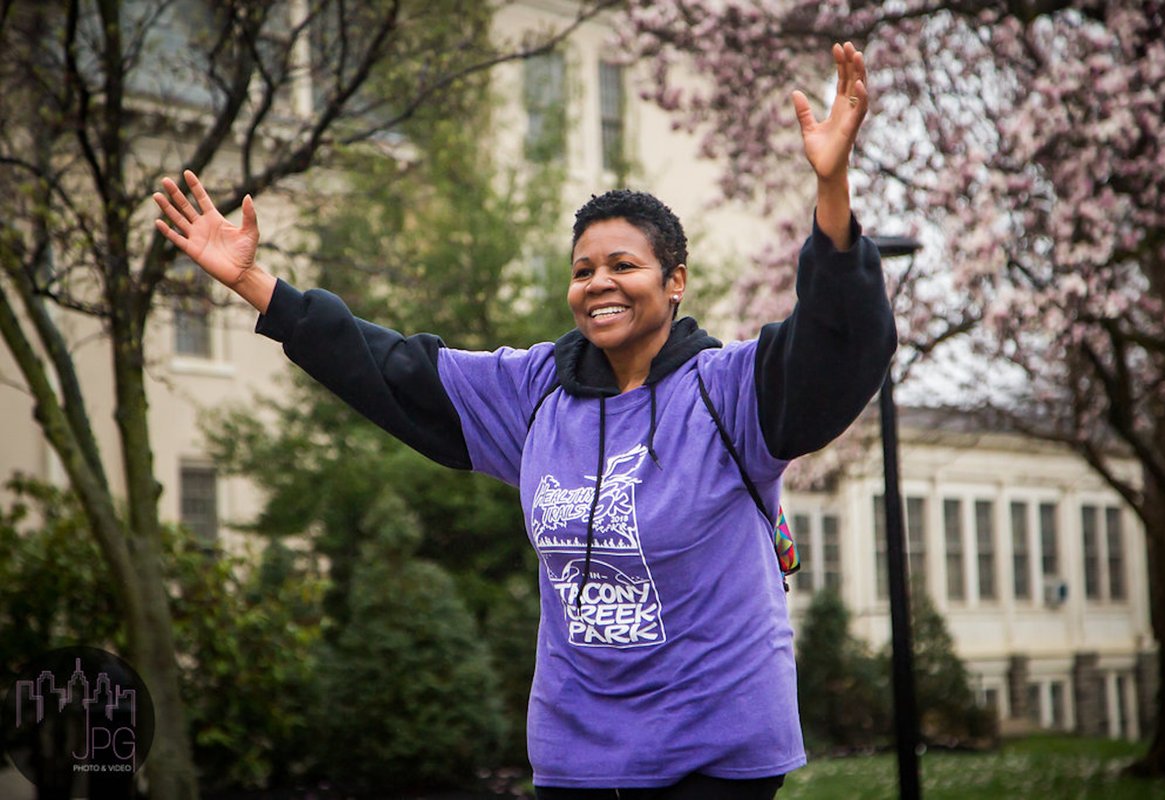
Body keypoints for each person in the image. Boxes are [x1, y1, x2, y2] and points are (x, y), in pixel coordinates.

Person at [154, 41, 893, 800]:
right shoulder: (537, 390)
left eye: (624, 266)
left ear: (675, 282)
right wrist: (256, 285)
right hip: (577, 756)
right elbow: (394, 370)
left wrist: (831, 195)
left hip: (713, 755)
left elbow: (834, 346)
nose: (599, 283)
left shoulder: (728, 392)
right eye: (583, 270)